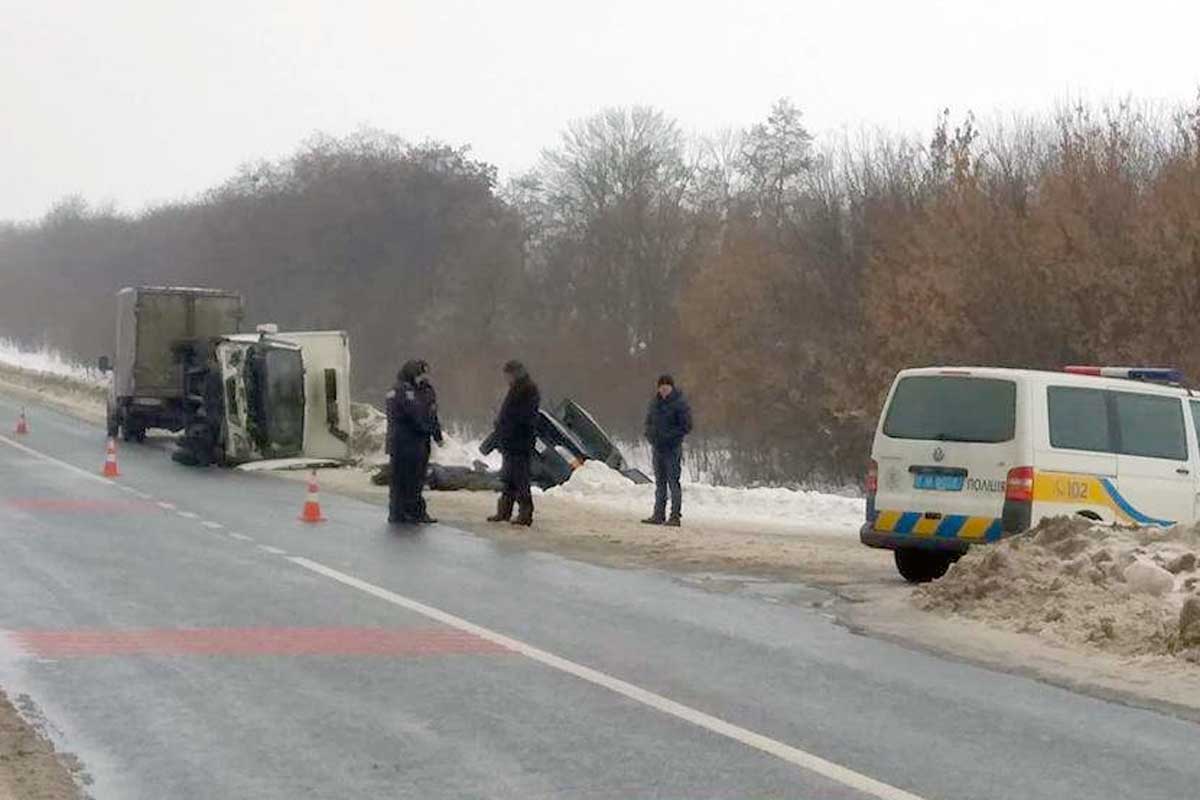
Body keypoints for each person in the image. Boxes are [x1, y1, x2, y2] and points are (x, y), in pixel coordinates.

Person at [385, 359, 443, 525]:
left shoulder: (422, 390)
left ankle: (411, 511)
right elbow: (414, 415)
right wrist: (428, 429)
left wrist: (436, 434)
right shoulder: (402, 391)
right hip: (406, 442)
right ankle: (402, 512)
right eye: (419, 374)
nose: (422, 377)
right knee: (405, 479)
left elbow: (431, 413)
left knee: (413, 479)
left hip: (414, 442)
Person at [485, 360, 540, 526]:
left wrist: (507, 427)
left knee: (521, 479)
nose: (506, 378)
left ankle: (525, 513)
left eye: (508, 374)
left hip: (520, 442)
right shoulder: (517, 388)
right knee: (508, 478)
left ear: (515, 373)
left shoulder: (528, 390)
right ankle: (504, 511)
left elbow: (524, 417)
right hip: (510, 442)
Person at [642, 374, 693, 527]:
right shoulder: (654, 404)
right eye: (661, 387)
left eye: (666, 387)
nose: (664, 390)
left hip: (672, 448)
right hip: (657, 448)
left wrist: (670, 438)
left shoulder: (680, 404)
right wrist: (650, 436)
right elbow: (648, 422)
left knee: (673, 482)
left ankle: (675, 516)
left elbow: (686, 426)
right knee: (660, 482)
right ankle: (658, 514)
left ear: (671, 388)